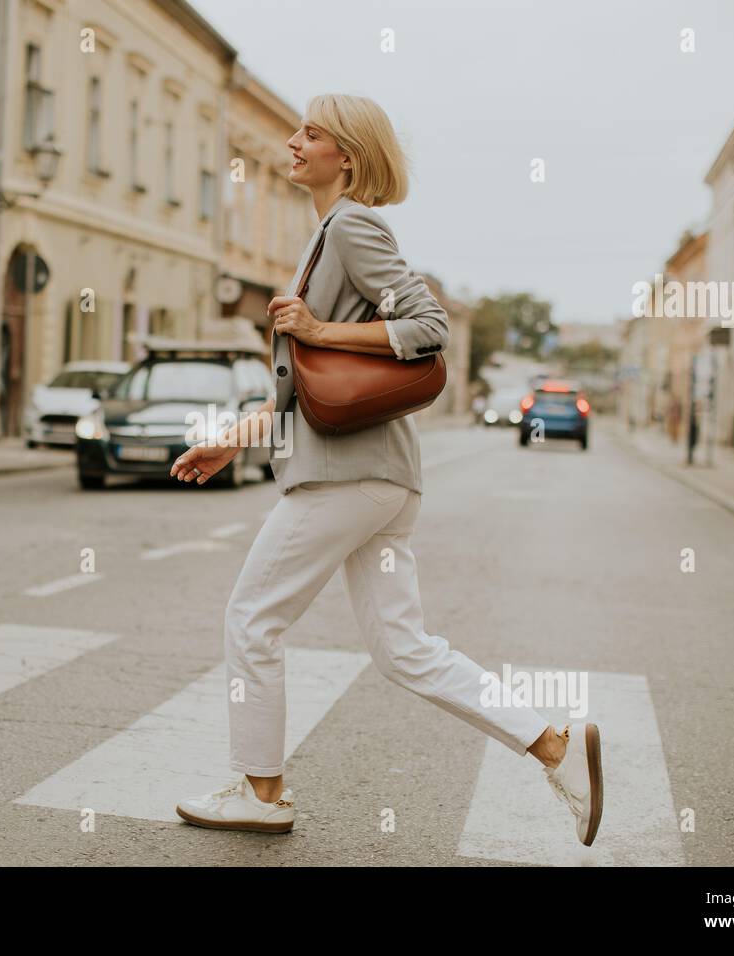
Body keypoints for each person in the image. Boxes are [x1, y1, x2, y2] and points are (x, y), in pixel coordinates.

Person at [169, 94, 603, 846]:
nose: (293, 140)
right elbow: (303, 386)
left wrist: (318, 326)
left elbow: (429, 328)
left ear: (349, 156)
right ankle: (555, 749)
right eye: (299, 128)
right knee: (407, 651)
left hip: (347, 475)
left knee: (253, 617)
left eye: (312, 133)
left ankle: (261, 791)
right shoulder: (325, 236)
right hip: (380, 478)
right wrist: (234, 439)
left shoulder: (353, 224)